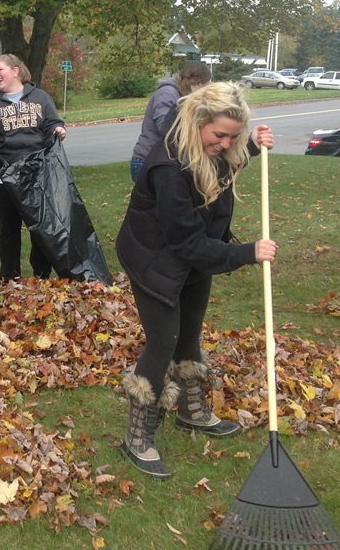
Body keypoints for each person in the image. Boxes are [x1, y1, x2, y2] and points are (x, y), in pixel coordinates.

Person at [116, 81, 277, 479]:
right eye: (219, 135)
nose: (225, 143)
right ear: (197, 122)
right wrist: (245, 253)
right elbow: (185, 241)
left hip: (194, 256)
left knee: (190, 334)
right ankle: (137, 437)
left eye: (233, 136)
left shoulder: (209, 147)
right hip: (155, 258)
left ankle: (191, 411)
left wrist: (251, 146)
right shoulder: (169, 167)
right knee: (163, 339)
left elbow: (221, 167)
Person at [0, 54, 67, 282]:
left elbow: (53, 123)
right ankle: (10, 279)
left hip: (36, 175)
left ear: (15, 71)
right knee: (8, 229)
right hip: (1, 177)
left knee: (40, 228)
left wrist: (58, 129)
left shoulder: (41, 98)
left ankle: (41, 276)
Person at [130, 61, 212, 183]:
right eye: (207, 84)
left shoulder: (184, 96)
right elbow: (165, 129)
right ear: (199, 84)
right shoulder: (167, 94)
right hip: (148, 160)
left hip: (165, 161)